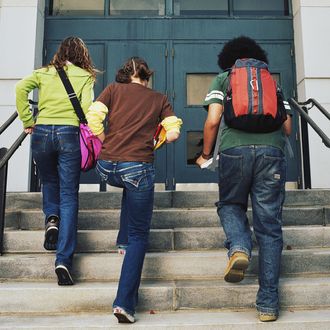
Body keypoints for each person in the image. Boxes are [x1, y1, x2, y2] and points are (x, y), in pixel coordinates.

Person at [196, 36, 292, 322]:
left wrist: (204, 153)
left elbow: (213, 119)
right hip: (271, 155)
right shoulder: (272, 82)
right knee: (270, 228)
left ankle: (239, 246)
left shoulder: (224, 79)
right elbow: (286, 127)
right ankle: (267, 306)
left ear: (228, 58)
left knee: (230, 205)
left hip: (234, 152)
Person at [86, 57, 182, 323]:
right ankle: (124, 304)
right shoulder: (158, 98)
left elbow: (93, 117)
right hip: (137, 166)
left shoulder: (113, 90)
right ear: (147, 77)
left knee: (131, 187)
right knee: (141, 235)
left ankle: (121, 240)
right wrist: (157, 139)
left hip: (105, 168)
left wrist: (106, 142)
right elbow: (173, 133)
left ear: (125, 75)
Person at [16, 36, 97, 285]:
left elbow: (20, 89)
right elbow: (87, 108)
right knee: (69, 195)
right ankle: (63, 260)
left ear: (60, 53)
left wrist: (28, 120)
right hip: (68, 133)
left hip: (41, 133)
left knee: (48, 181)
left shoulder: (44, 72)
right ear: (82, 54)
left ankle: (52, 218)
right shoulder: (86, 77)